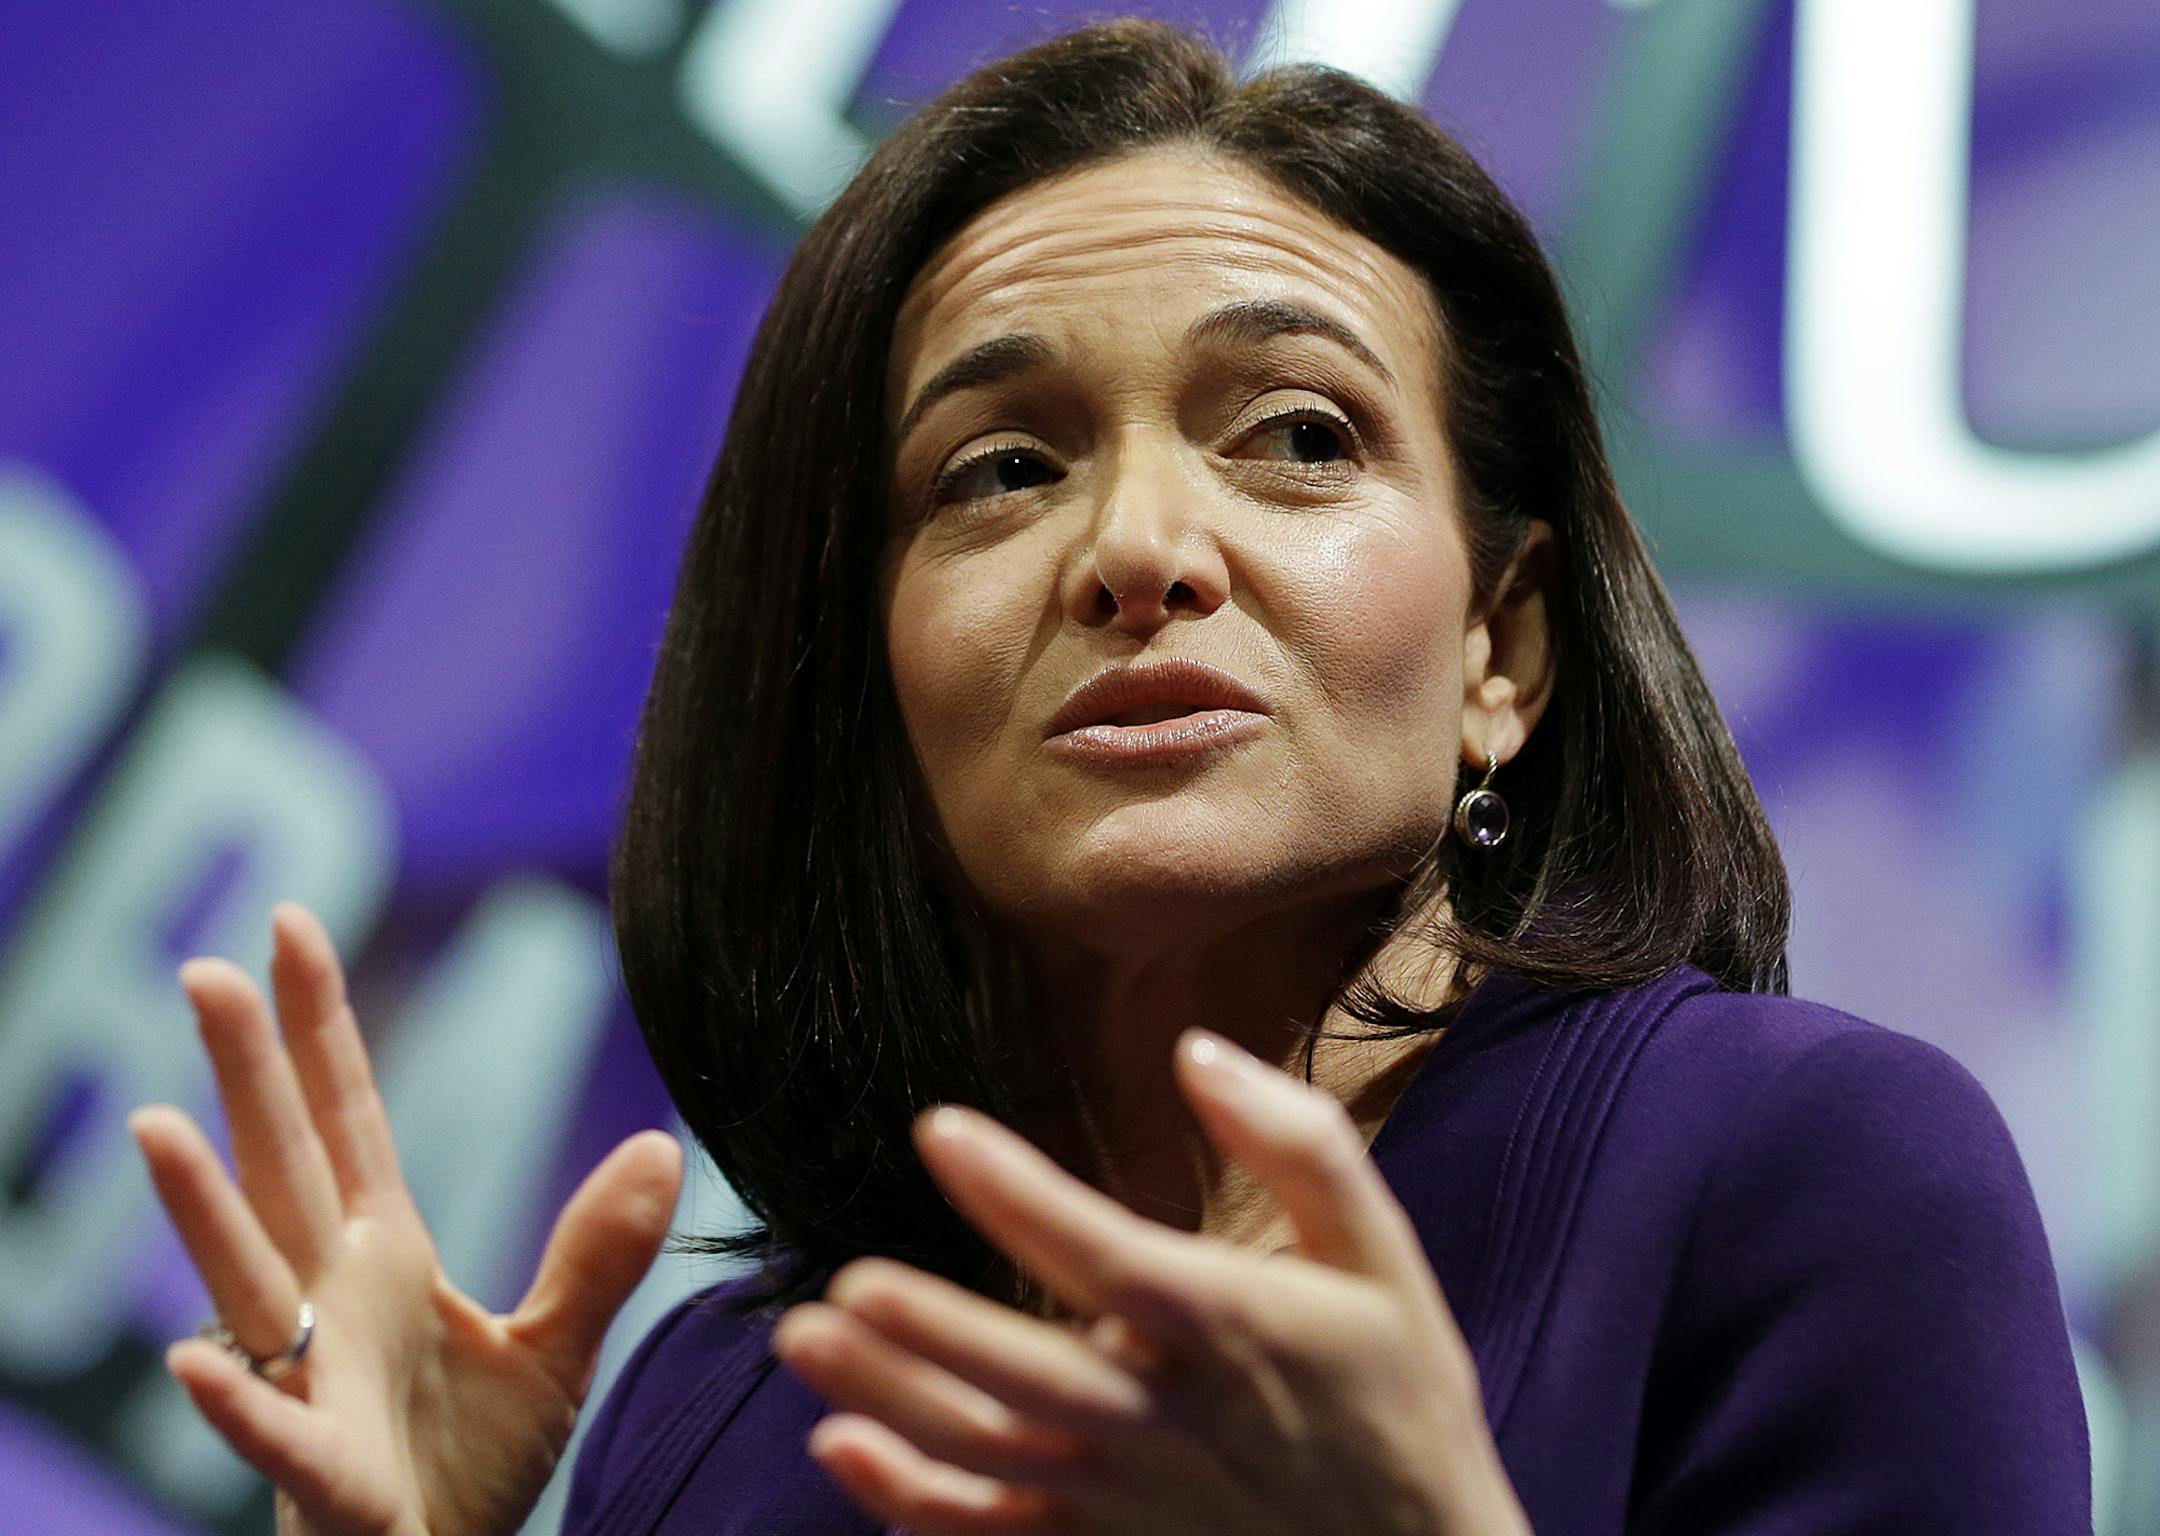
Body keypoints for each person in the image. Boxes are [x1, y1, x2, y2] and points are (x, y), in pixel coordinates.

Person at [128, 16, 2093, 1535]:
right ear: (876, 687)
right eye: (1001, 470)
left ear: (1501, 652)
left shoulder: (1805, 1174)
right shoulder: (732, 1401)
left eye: (1299, 436)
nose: (1140, 548)